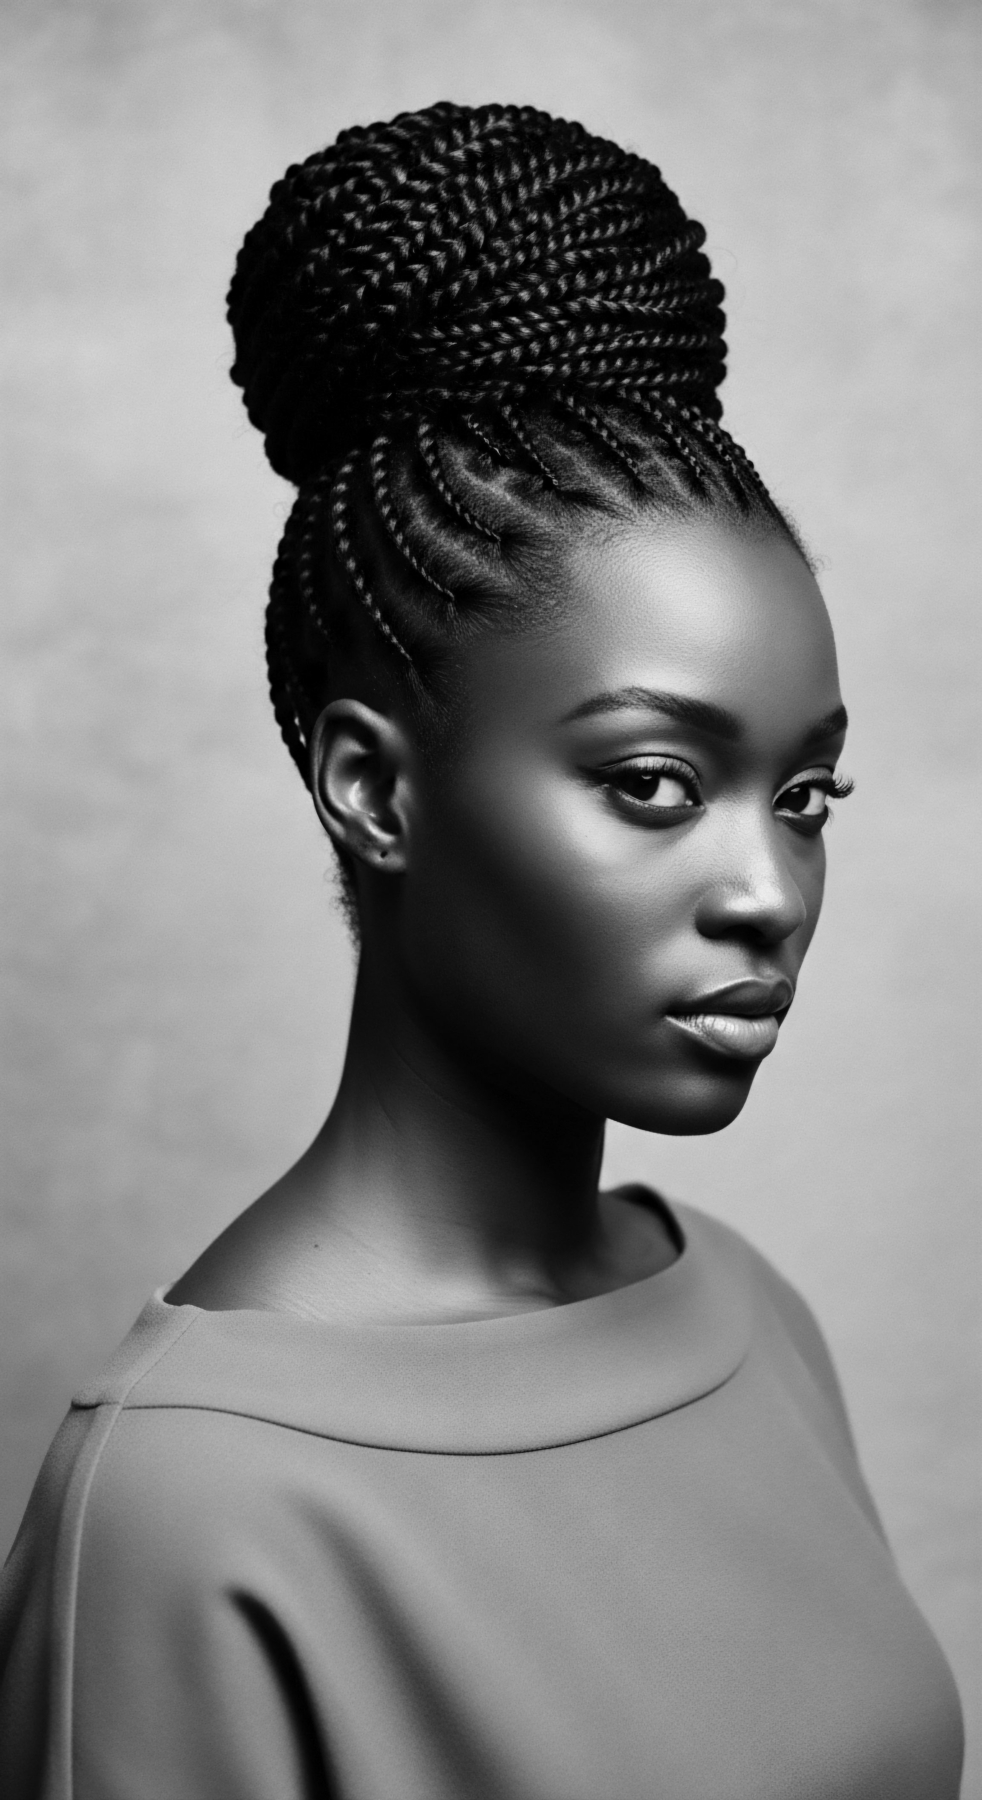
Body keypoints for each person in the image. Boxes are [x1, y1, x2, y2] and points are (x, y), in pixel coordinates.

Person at [0, 101, 964, 1799]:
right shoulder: (184, 1510)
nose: (770, 890)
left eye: (803, 794)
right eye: (653, 782)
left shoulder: (752, 1320)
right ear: (372, 788)